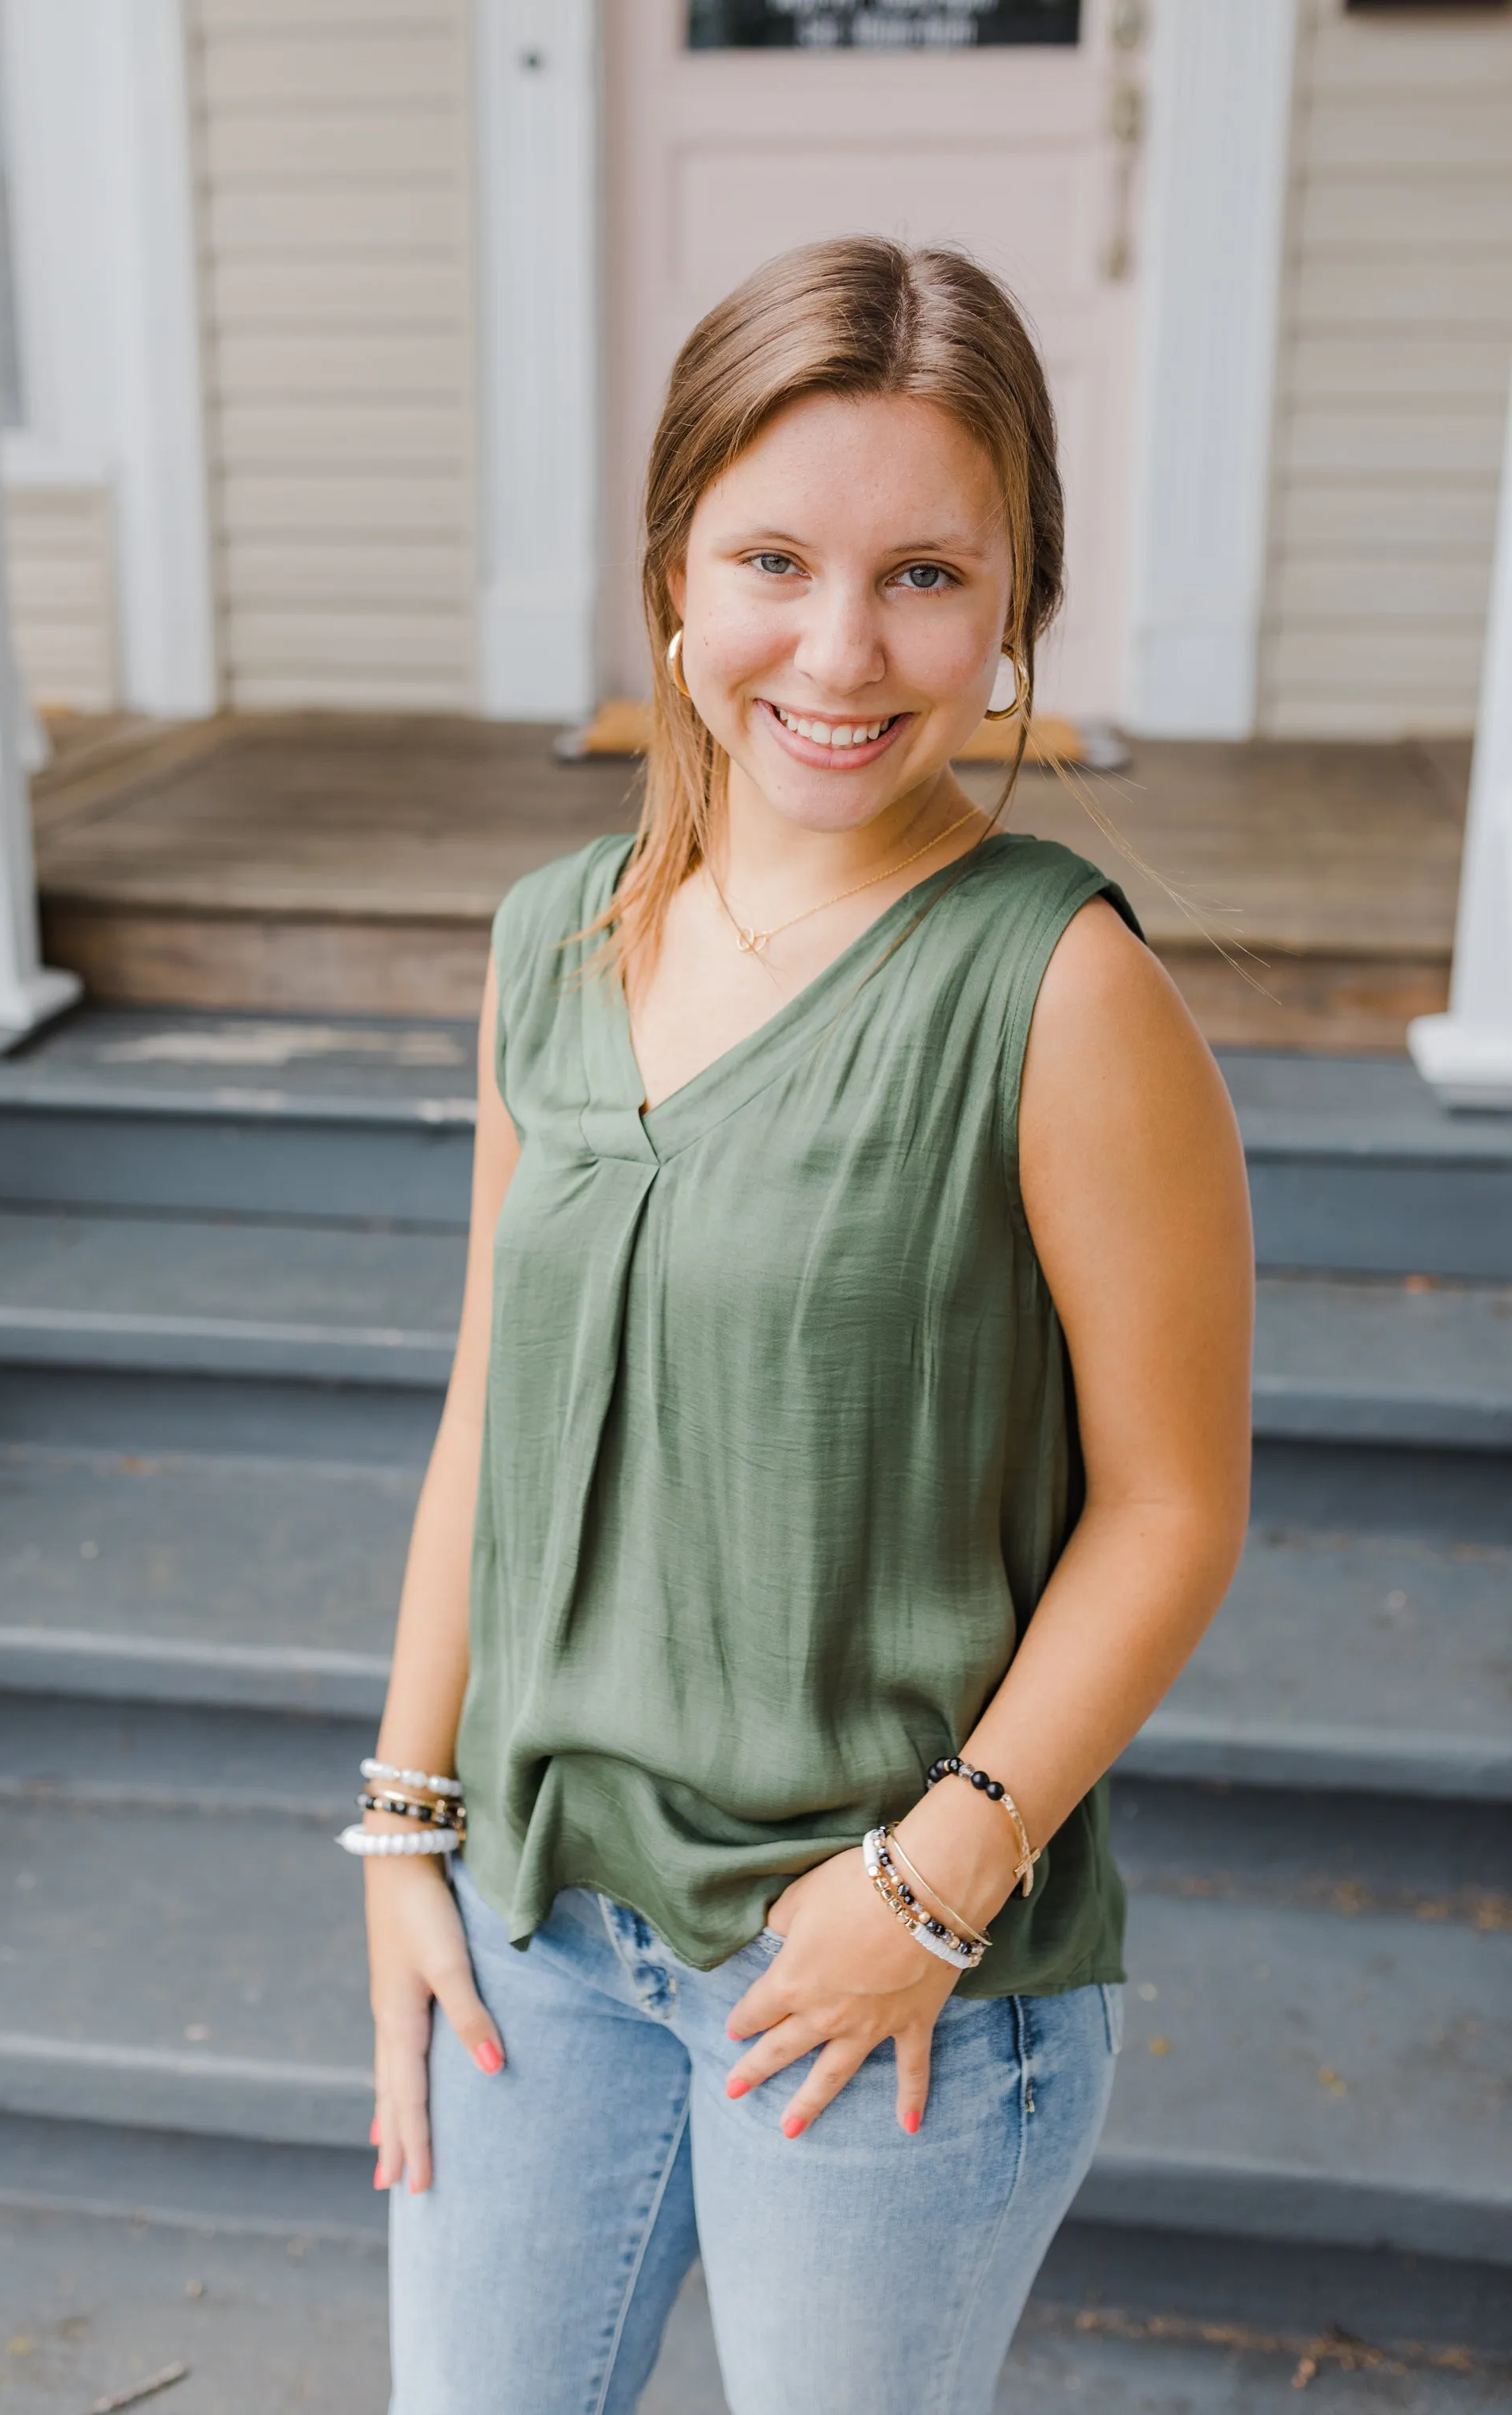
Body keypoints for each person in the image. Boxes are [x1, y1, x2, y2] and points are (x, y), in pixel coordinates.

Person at [352, 237, 1254, 2415]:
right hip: (541, 1925)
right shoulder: (549, 937)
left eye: (925, 577)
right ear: (673, 563)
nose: (840, 652)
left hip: (887, 1956)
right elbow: (502, 1382)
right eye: (773, 557)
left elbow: (1168, 1507)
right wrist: (401, 1818)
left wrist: (927, 1883)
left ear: (1013, 603)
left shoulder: (1056, 987)